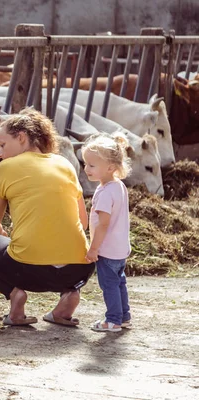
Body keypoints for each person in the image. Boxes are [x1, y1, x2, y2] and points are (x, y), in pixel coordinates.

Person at [0, 108, 95, 327]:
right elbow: (83, 223)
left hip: (27, 270)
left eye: (2, 144)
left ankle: (15, 295)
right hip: (79, 269)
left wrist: (0, 231)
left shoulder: (6, 167)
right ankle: (69, 295)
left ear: (21, 137)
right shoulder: (64, 164)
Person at [81, 133, 132, 333]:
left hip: (107, 250)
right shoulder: (118, 186)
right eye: (85, 163)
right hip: (120, 249)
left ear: (110, 168)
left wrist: (93, 249)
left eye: (92, 165)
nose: (86, 169)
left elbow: (103, 225)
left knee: (109, 285)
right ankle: (124, 316)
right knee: (119, 283)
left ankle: (113, 320)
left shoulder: (104, 193)